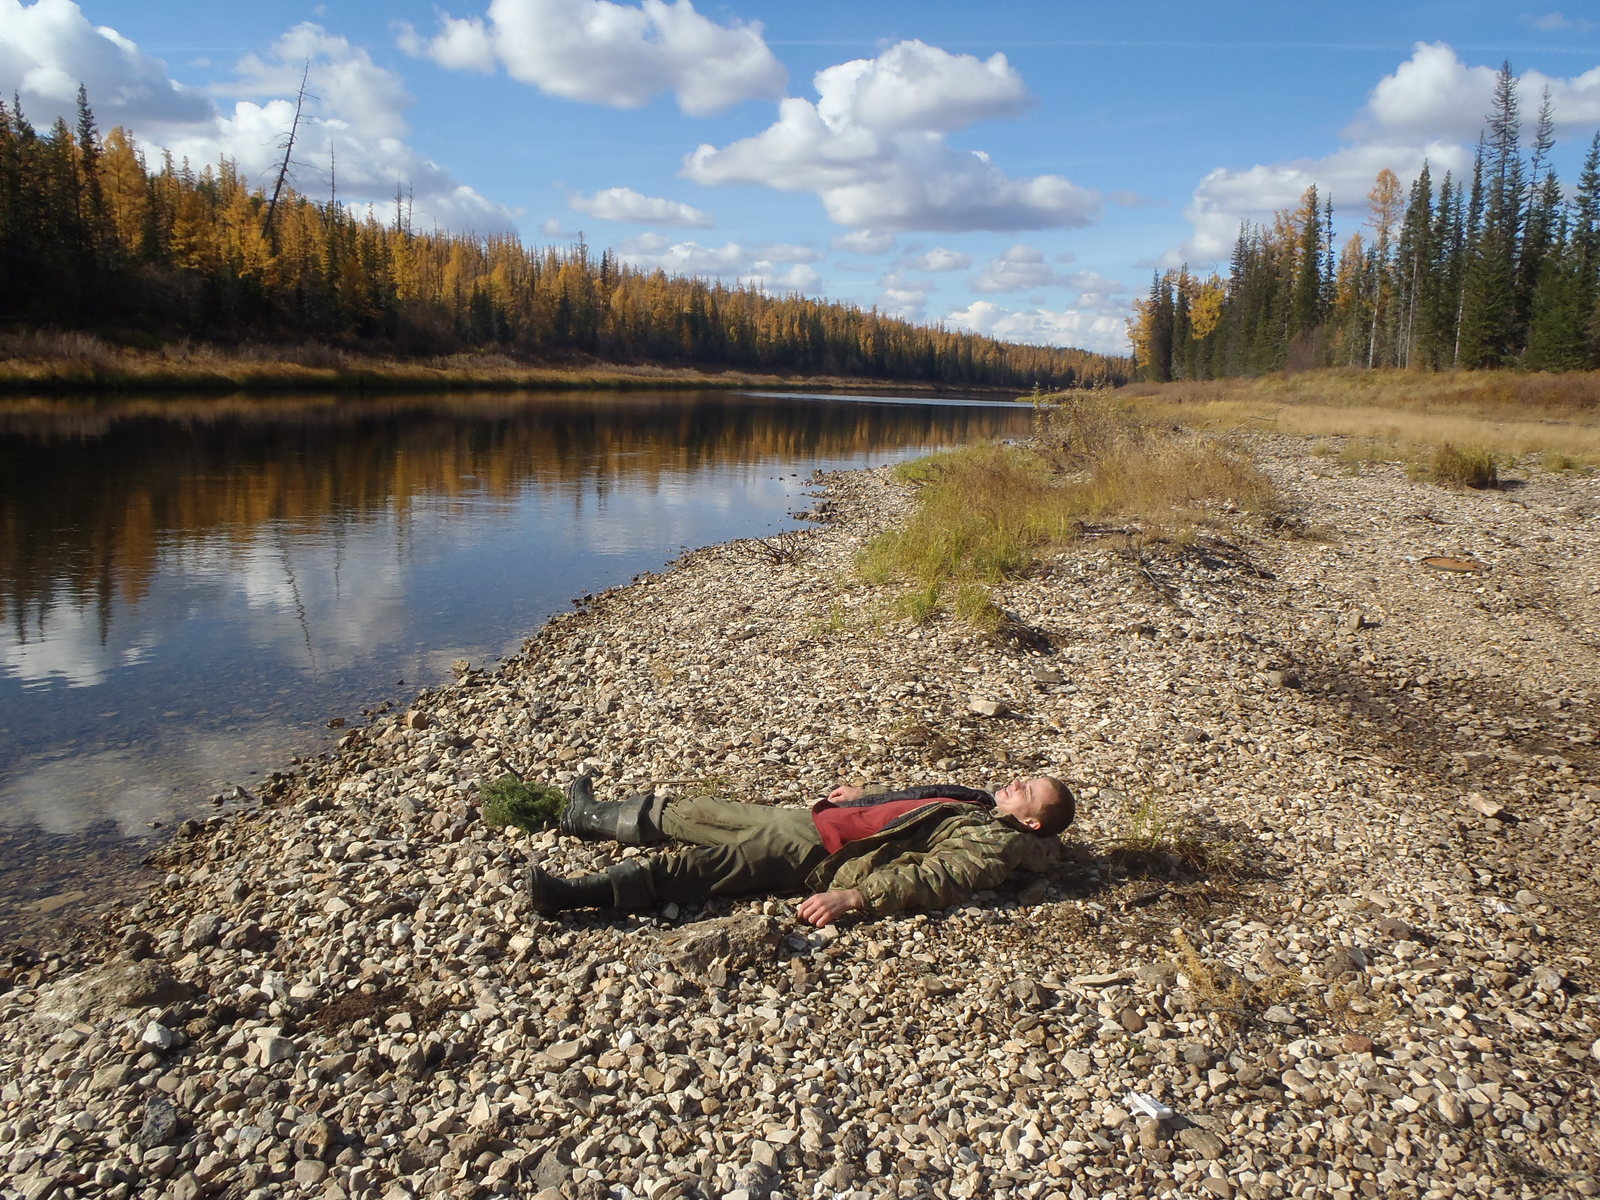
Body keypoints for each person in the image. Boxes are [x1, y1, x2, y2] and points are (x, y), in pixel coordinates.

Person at [525, 774, 1075, 927]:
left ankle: (575, 896)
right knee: (696, 812)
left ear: (1031, 821)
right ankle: (586, 816)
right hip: (815, 821)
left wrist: (854, 897)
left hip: (821, 855)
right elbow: (909, 807)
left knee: (698, 870)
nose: (1019, 784)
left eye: (1030, 791)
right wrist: (868, 796)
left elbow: (935, 879)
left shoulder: (993, 840)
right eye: (1027, 779)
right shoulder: (978, 803)